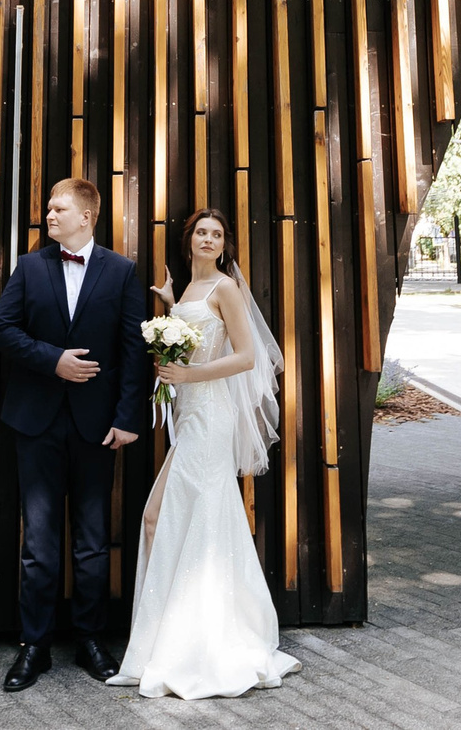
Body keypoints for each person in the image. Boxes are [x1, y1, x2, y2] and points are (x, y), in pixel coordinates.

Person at [108, 206, 297, 699]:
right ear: (188, 240)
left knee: (169, 516)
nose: (208, 240)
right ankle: (175, 637)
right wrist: (171, 307)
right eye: (201, 233)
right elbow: (194, 338)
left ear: (224, 244)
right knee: (172, 517)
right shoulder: (190, 290)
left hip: (210, 417)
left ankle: (195, 644)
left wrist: (188, 375)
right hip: (188, 417)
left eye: (216, 234)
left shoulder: (226, 289)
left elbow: (247, 357)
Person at [0, 177, 149, 693]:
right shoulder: (31, 267)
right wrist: (52, 360)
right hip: (35, 421)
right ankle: (34, 646)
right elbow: (3, 331)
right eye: (48, 210)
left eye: (58, 210)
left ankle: (91, 639)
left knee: (92, 541)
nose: (49, 217)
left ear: (87, 216)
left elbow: (131, 353)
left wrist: (127, 418)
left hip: (97, 427)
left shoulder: (122, 272)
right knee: (38, 541)